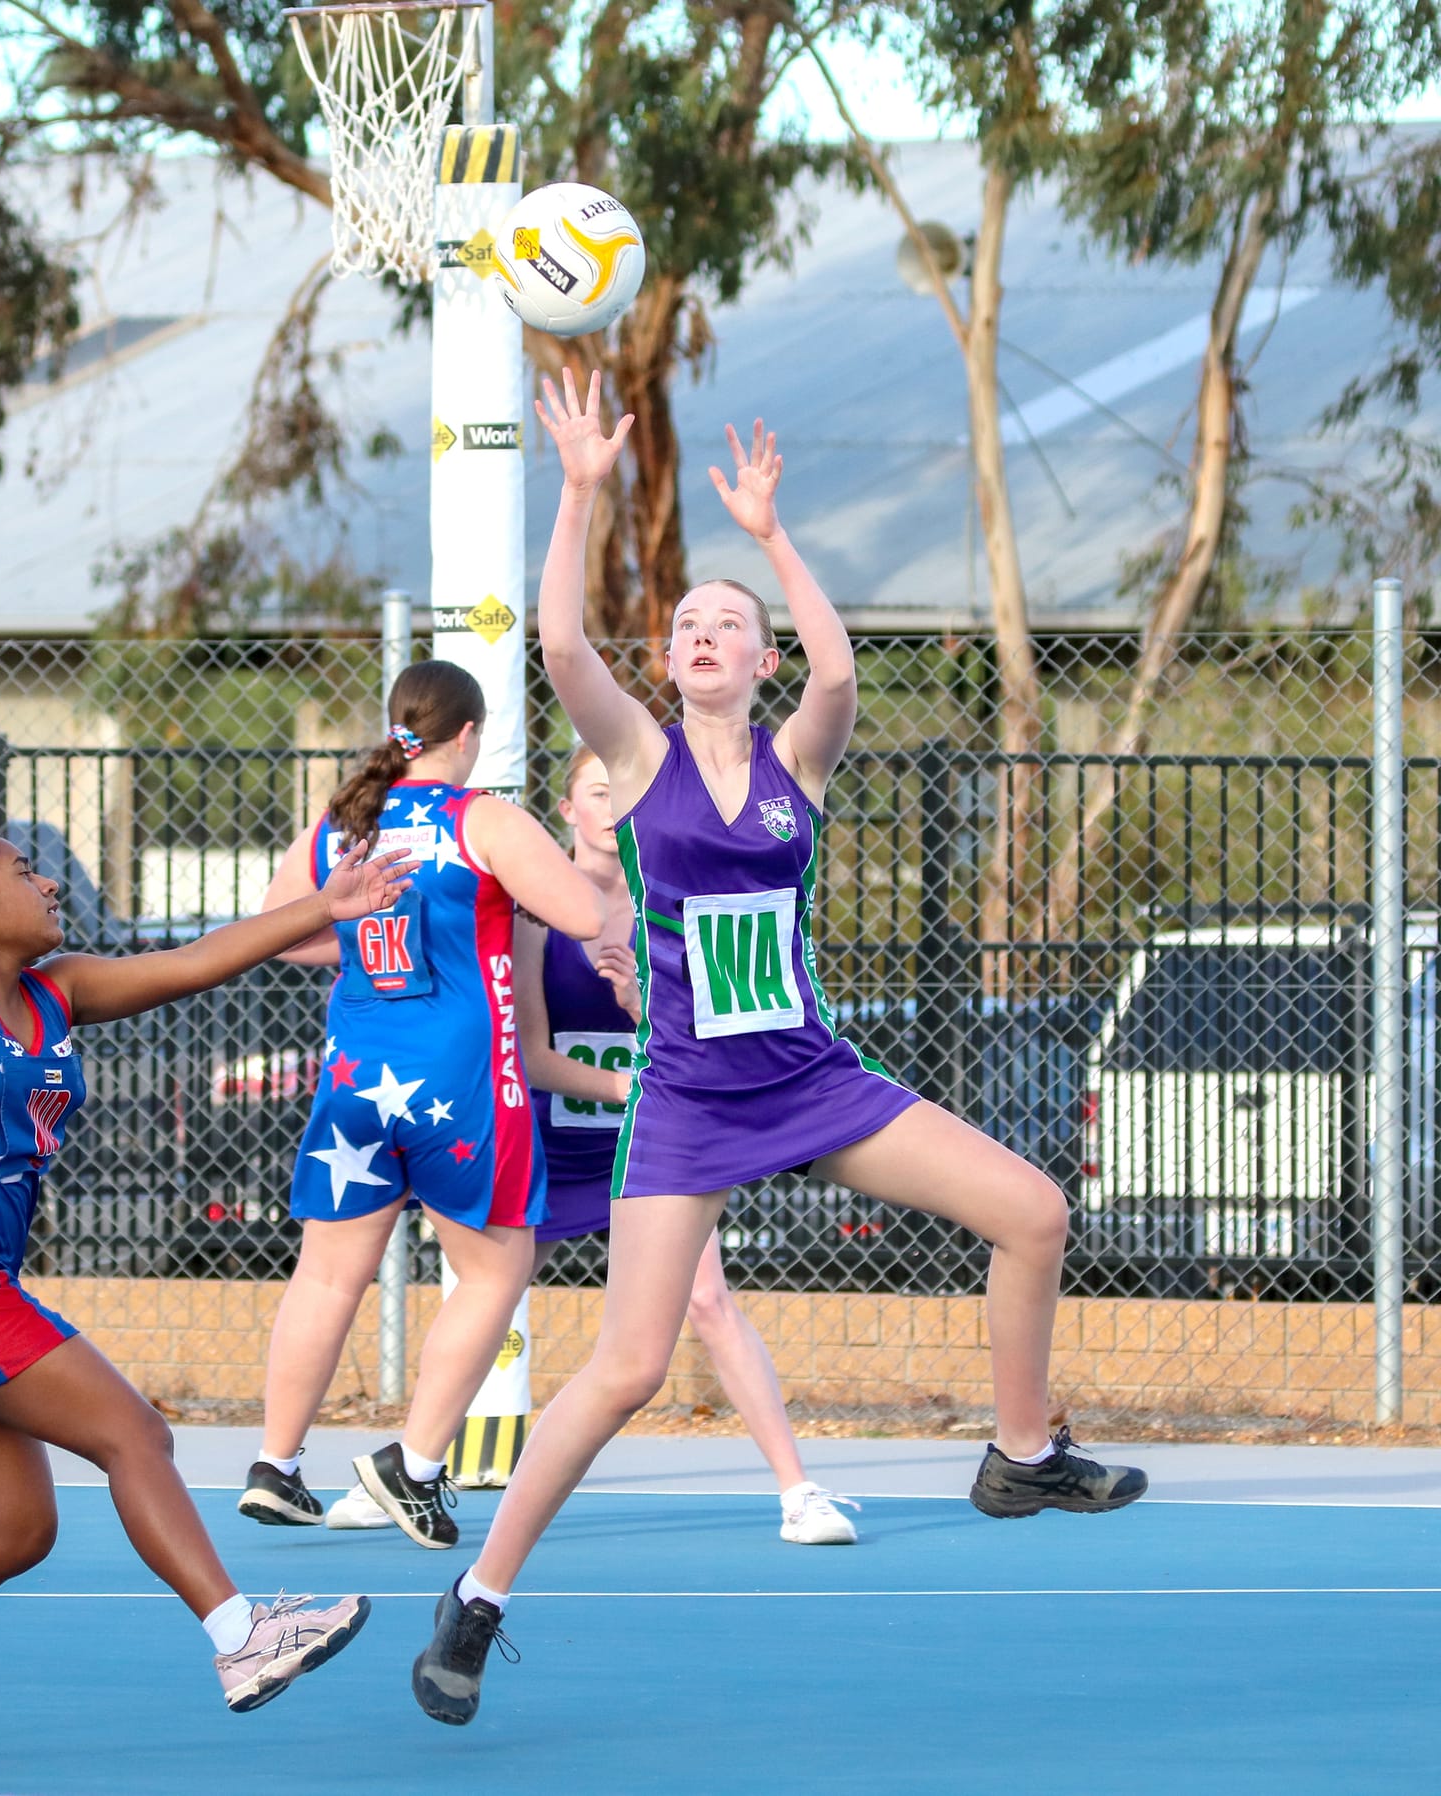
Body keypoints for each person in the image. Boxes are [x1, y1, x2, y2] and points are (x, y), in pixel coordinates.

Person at [412, 373, 1147, 1726]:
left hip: (814, 1081)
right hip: (687, 1099)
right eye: (688, 623)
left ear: (761, 664)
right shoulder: (635, 763)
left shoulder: (800, 764)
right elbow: (564, 643)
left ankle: (1021, 1451)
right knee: (630, 1365)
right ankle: (476, 1604)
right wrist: (578, 490)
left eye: (729, 624)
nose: (703, 633)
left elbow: (847, 670)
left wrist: (773, 536)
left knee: (1035, 1212)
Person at [0, 821, 409, 1776]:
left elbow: (189, 965)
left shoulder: (55, 992)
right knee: (135, 1436)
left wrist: (325, 907)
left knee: (19, 1529)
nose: (48, 881)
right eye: (23, 871)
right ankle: (240, 1637)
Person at [237, 661, 605, 1549]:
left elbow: (277, 928)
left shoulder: (343, 822)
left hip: (358, 1072)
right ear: (469, 736)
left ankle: (276, 1466)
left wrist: (358, 940)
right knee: (494, 1272)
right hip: (462, 1079)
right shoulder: (483, 818)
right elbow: (583, 914)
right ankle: (417, 1464)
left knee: (326, 1273)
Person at [519, 743, 859, 1547]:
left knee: (707, 1300)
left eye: (618, 793)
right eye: (592, 794)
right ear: (568, 811)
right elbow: (531, 1054)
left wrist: (636, 998)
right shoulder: (536, 917)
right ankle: (417, 1461)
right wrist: (620, 1086)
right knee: (493, 1287)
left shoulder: (662, 904)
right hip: (565, 1138)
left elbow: (699, 1035)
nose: (607, 809)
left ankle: (798, 1490)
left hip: (659, 1138)